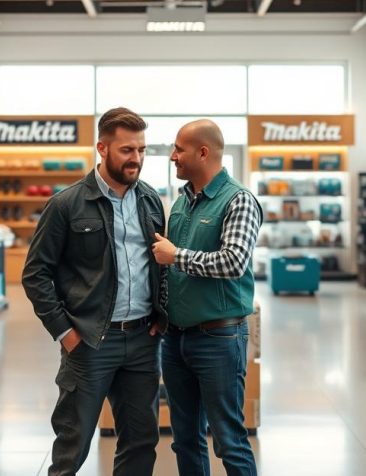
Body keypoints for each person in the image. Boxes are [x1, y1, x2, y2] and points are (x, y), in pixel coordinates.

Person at [22, 108, 168, 476]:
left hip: (142, 341)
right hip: (89, 342)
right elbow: (36, 274)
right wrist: (65, 332)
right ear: (102, 148)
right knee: (72, 447)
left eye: (142, 150)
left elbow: (159, 265)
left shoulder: (150, 200)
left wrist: (161, 314)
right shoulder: (66, 204)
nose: (136, 159)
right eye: (126, 150)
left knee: (140, 442)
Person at [152, 119, 262, 476]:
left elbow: (234, 261)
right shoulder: (181, 202)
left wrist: (176, 256)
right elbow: (169, 271)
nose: (172, 156)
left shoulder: (239, 200)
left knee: (229, 439)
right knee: (185, 438)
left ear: (203, 152)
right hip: (175, 339)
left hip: (219, 339)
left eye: (179, 149)